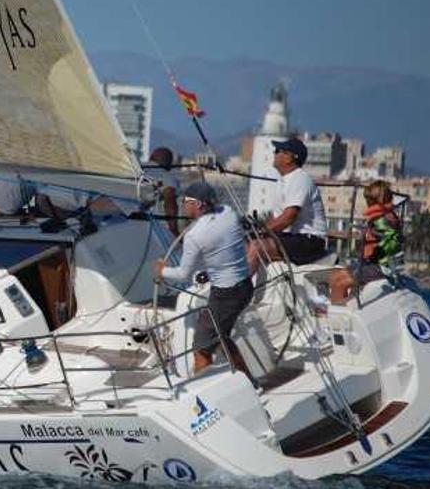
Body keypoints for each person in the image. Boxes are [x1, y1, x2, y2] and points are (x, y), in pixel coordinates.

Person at [154, 182, 253, 377]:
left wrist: (162, 271)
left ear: (199, 204)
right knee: (221, 337)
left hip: (225, 294)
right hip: (245, 286)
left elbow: (182, 274)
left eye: (186, 201)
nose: (183, 204)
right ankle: (250, 383)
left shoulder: (194, 235)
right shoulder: (229, 213)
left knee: (201, 349)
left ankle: (206, 401)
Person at [247, 137, 328, 274]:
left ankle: (237, 292)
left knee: (257, 247)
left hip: (310, 240)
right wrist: (254, 231)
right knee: (245, 243)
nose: (274, 153)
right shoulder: (282, 182)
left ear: (289, 158)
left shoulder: (300, 179)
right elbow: (276, 219)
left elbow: (288, 217)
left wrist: (261, 232)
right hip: (294, 237)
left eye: (278, 151)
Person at [329, 180, 403, 305]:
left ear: (376, 200)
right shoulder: (386, 216)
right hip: (374, 264)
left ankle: (335, 316)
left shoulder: (384, 220)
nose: (367, 203)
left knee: (339, 282)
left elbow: (378, 247)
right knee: (334, 277)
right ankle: (343, 306)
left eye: (368, 200)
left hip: (382, 267)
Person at [147, 147, 181, 236]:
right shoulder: (167, 177)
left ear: (150, 157)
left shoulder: (135, 169)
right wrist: (174, 231)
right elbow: (170, 203)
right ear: (169, 164)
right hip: (150, 227)